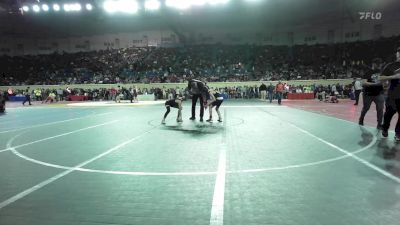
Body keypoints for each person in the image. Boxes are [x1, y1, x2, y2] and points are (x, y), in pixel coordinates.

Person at [378, 47, 400, 140]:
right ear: (397, 54)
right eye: (398, 52)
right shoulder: (391, 66)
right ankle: (385, 128)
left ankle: (398, 133)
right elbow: (380, 78)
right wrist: (394, 76)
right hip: (393, 95)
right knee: (388, 114)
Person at [358, 60, 384, 129]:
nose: (379, 65)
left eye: (380, 64)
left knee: (380, 109)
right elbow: (364, 82)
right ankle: (361, 119)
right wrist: (375, 84)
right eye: (378, 64)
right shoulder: (368, 72)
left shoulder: (382, 72)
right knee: (366, 108)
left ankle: (379, 124)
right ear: (373, 64)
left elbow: (385, 81)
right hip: (368, 94)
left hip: (379, 93)